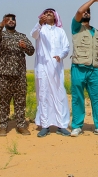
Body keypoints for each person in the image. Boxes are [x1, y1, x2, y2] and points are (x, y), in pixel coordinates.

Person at [69, 0, 98, 137]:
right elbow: (79, 12)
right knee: (78, 97)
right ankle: (77, 126)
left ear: (91, 15)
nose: (86, 13)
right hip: (79, 67)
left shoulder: (96, 31)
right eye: (85, 11)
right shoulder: (76, 27)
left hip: (94, 70)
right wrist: (93, 0)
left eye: (88, 12)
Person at [0, 13, 35, 136]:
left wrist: (25, 46)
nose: (11, 21)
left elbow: (31, 51)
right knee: (4, 101)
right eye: (8, 20)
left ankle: (21, 125)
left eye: (13, 20)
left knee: (20, 101)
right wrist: (1, 24)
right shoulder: (1, 36)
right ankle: (3, 126)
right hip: (3, 74)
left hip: (19, 75)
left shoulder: (21, 36)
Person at [31, 8, 71, 137]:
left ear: (55, 17)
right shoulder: (40, 29)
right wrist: (39, 23)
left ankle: (61, 125)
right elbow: (33, 35)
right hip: (42, 67)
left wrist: (61, 55)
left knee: (59, 95)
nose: (48, 15)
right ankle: (45, 125)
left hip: (56, 68)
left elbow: (66, 47)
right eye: (46, 13)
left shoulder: (60, 31)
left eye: (50, 14)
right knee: (43, 95)